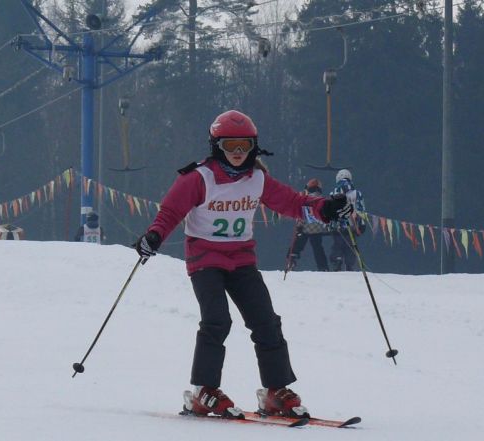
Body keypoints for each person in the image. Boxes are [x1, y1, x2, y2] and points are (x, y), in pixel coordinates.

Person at [133, 110, 351, 419]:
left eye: (244, 146)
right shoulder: (199, 177)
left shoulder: (257, 179)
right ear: (216, 146)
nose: (237, 153)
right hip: (204, 259)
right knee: (217, 320)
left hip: (241, 259)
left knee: (265, 320)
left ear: (254, 147)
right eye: (230, 145)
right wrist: (153, 236)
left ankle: (276, 391)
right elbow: (170, 212)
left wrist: (326, 208)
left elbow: (293, 203)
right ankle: (203, 391)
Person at [286, 178, 330, 271]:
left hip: (304, 227)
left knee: (298, 244)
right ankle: (323, 267)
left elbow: (299, 210)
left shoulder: (304, 198)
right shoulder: (321, 199)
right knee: (318, 248)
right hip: (317, 228)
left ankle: (292, 259)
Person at [329, 169, 366, 271]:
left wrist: (330, 224)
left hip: (338, 225)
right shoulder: (357, 193)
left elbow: (330, 209)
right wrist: (361, 224)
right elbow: (361, 209)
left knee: (338, 244)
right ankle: (350, 264)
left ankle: (337, 259)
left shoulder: (334, 192)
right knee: (351, 245)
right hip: (353, 224)